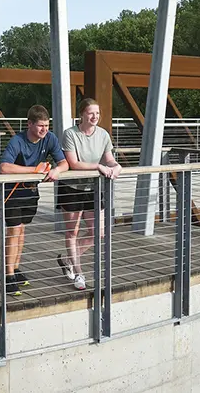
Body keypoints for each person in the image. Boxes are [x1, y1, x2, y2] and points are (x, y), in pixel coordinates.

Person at [0, 104, 68, 296]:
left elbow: (64, 163)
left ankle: (16, 268)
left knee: (21, 231)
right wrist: (35, 170)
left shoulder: (50, 138)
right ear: (29, 124)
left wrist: (56, 170)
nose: (44, 129)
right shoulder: (17, 140)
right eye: (40, 126)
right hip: (13, 192)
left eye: (47, 125)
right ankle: (8, 276)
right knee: (13, 231)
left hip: (30, 192)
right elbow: (4, 167)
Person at [57, 98, 122, 290]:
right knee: (72, 232)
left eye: (97, 113)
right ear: (82, 114)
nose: (95, 116)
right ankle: (78, 273)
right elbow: (74, 163)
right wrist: (98, 167)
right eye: (91, 113)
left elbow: (109, 159)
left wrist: (116, 166)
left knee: (98, 232)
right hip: (72, 189)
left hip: (92, 189)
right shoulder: (70, 134)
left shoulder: (103, 134)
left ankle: (68, 260)